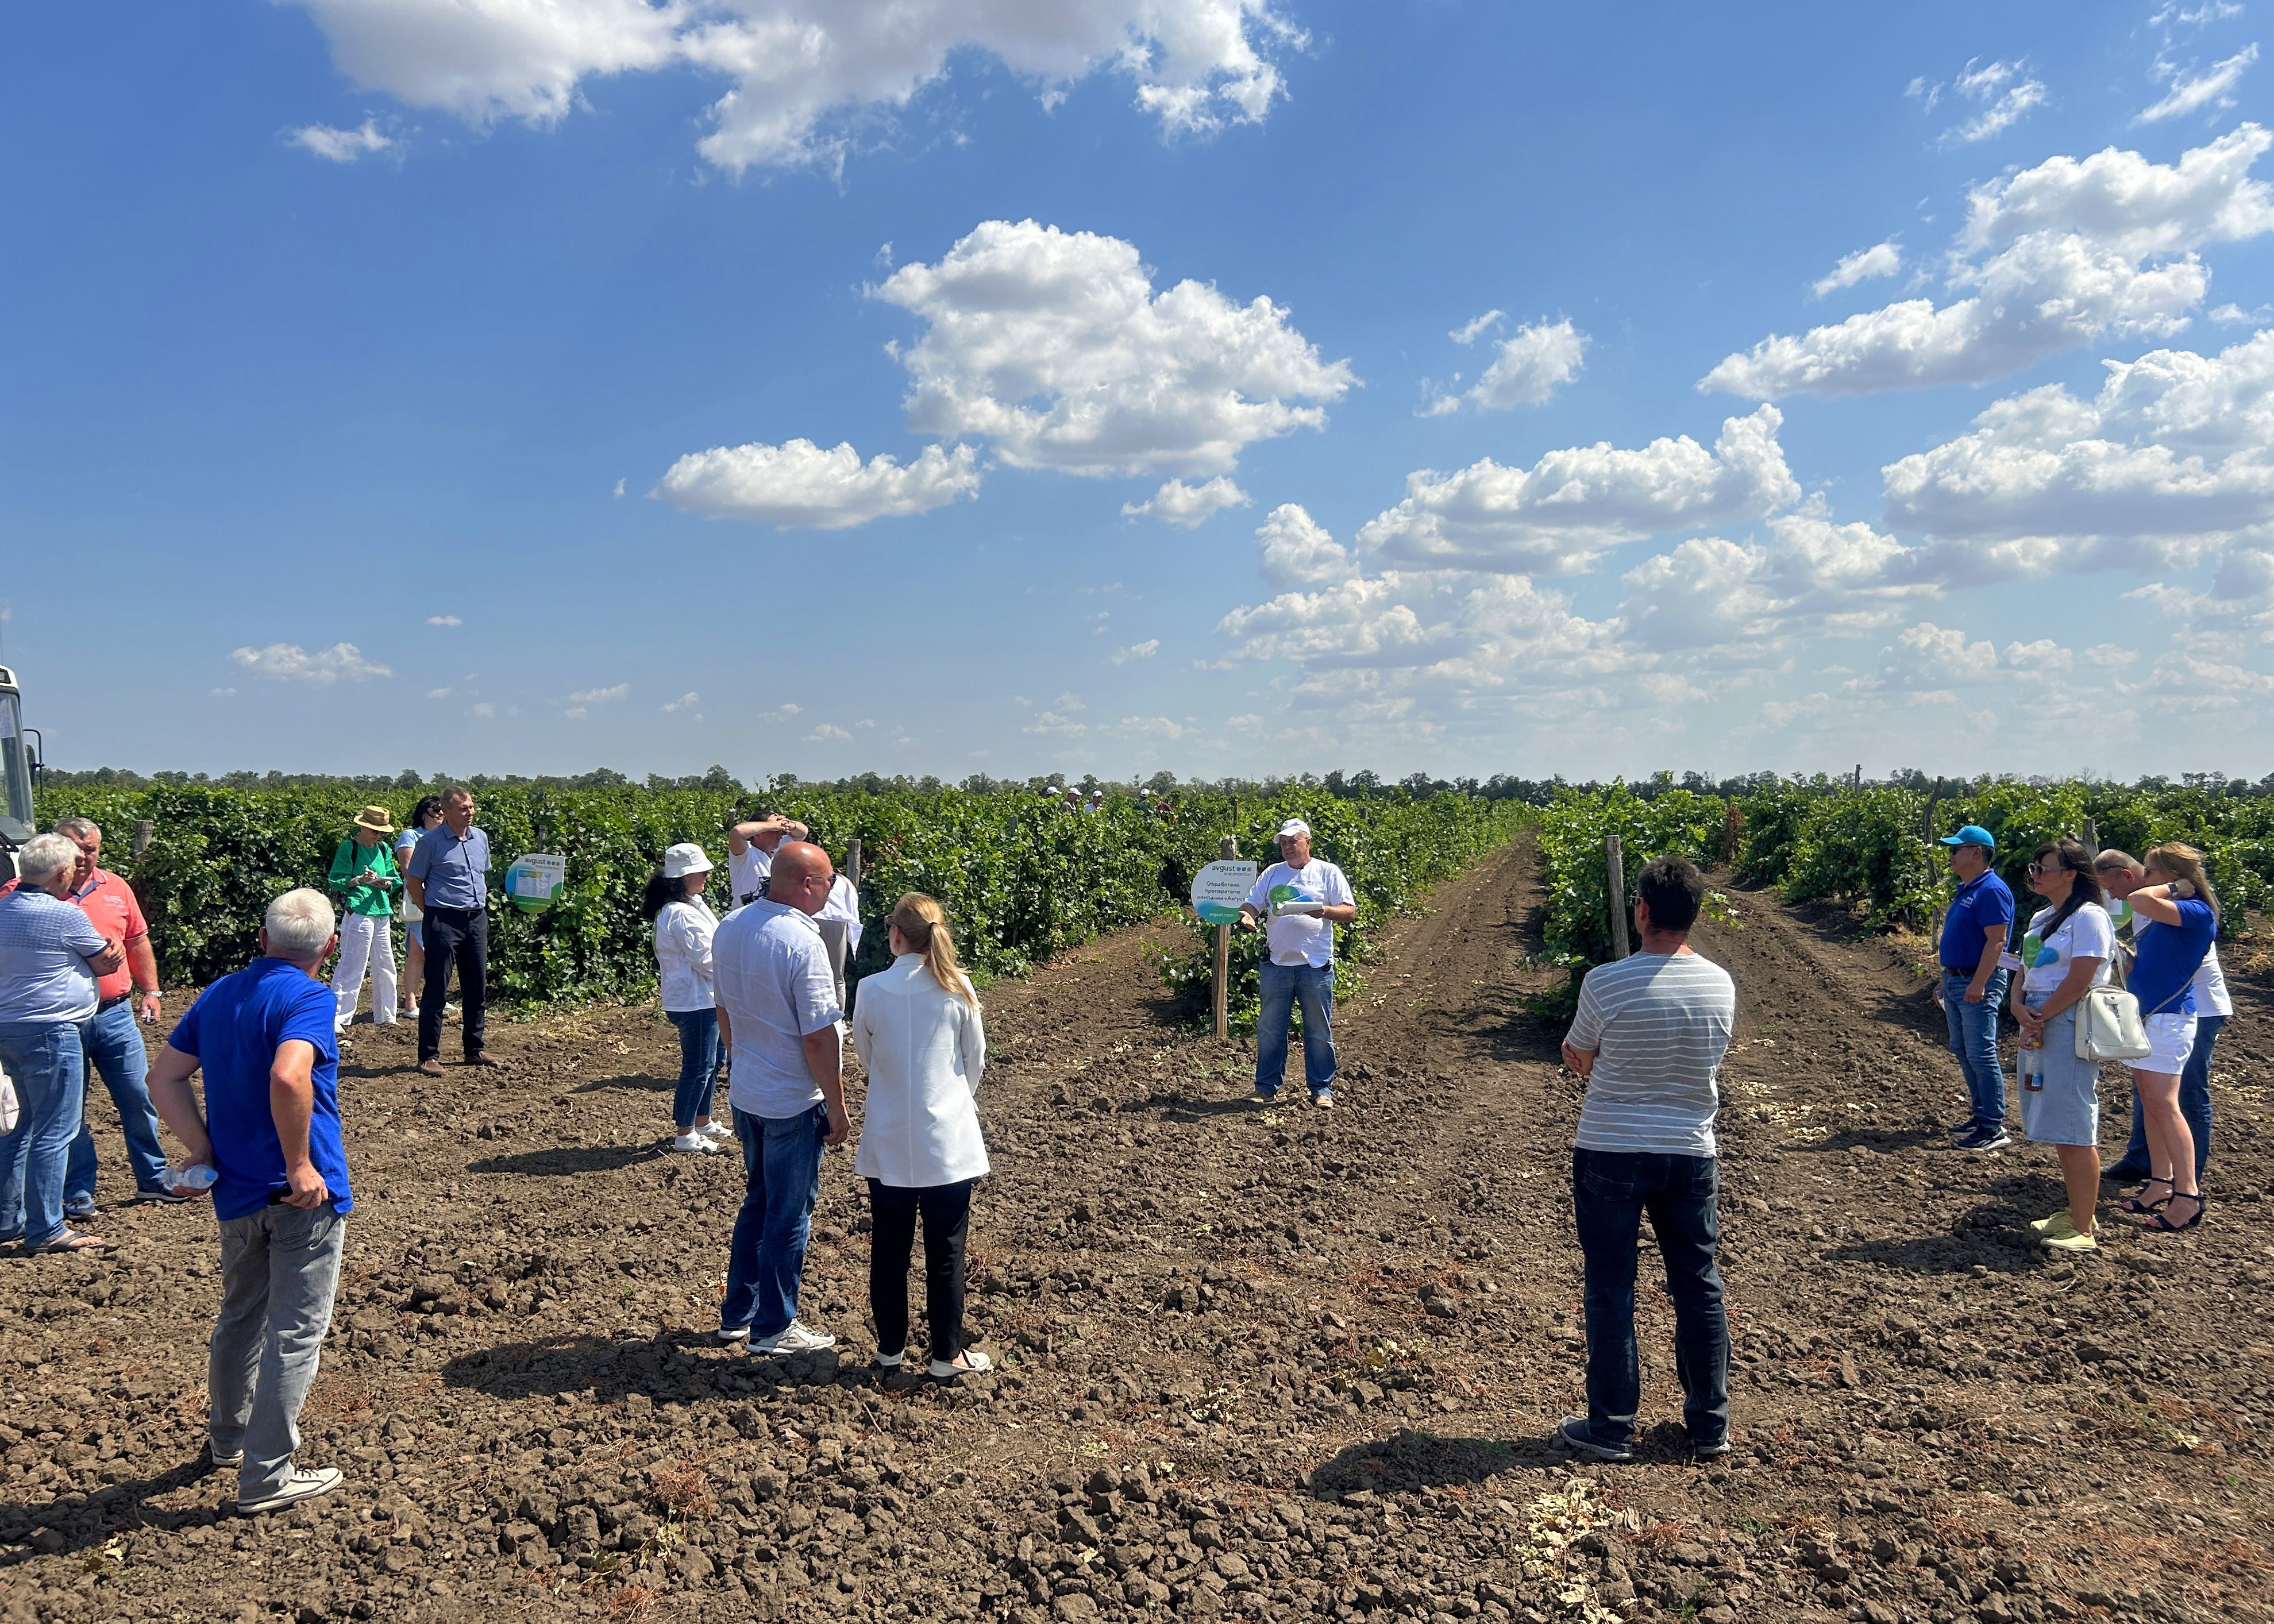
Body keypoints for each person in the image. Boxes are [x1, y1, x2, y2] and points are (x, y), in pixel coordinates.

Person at [144, 888, 351, 1515]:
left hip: (235, 1192)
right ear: (331, 949)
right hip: (299, 1194)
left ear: (263, 941)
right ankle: (267, 1476)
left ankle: (227, 1438)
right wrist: (299, 1163)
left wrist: (203, 1149)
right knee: (296, 1331)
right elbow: (289, 1074)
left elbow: (163, 1078)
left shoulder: (218, 994)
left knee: (240, 1317)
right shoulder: (310, 997)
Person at [1556, 855, 1737, 1464]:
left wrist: (1595, 1059)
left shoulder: (1605, 983)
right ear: (1695, 914)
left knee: (1611, 1285)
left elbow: (1578, 1055)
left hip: (1610, 1147)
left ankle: (1611, 1426)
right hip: (1689, 1151)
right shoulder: (1720, 983)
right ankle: (1709, 1424)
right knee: (1698, 1284)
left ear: (1641, 911)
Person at [711, 842, 850, 1353]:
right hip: (793, 1098)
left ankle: (738, 1314)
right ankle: (774, 1327)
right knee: (789, 1214)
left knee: (758, 1202)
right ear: (808, 884)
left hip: (748, 1092)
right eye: (830, 881)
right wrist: (836, 1105)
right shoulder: (802, 943)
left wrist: (739, 1058)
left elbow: (722, 1006)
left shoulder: (732, 925)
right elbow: (819, 1035)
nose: (833, 890)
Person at [0, 816, 177, 1215]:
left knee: (137, 1094)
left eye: (91, 849)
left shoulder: (116, 887)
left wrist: (151, 990)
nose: (83, 857)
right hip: (59, 1020)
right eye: (74, 849)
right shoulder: (19, 894)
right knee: (68, 1111)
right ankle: (77, 1190)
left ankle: (152, 1176)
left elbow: (137, 939)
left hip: (115, 1014)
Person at [849, 894, 992, 1379]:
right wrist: (951, 1099)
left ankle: (889, 1351)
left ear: (895, 935)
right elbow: (975, 1062)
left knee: (889, 1250)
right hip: (947, 1142)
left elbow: (866, 1056)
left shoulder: (869, 988)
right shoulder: (959, 988)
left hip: (889, 1137)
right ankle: (946, 1355)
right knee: (946, 1253)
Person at [0, 833, 125, 1252]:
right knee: (56, 1130)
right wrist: (108, 958)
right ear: (60, 873)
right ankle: (47, 1228)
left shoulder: (3, 909)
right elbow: (104, 958)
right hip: (53, 1032)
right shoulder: (65, 915)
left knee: (20, 1126)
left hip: (9, 1028)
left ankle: (7, 1218)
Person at [2096, 848, 2229, 1186]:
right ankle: (2155, 1172)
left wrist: (2173, 888)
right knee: (2152, 1096)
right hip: (2159, 1009)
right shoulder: (2151, 904)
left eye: (2152, 872)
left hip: (2191, 1007)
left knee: (2184, 1095)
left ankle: (2188, 1180)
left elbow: (2148, 908)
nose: (2112, 897)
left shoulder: (2176, 905)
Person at [2008, 841, 2113, 1253]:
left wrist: (2042, 1014)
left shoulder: (2090, 917)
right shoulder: (2041, 917)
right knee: (2056, 1113)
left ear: (2071, 873)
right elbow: (2025, 967)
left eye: (2043, 867)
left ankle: (2084, 1227)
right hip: (2039, 1013)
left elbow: (2082, 976)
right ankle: (2075, 1211)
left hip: (2066, 1018)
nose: (2035, 873)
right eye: (2034, 866)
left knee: (2073, 1118)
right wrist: (2018, 1004)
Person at [1235, 817, 1357, 1108]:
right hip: (1277, 964)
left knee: (1318, 1029)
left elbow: (1349, 911)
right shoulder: (1273, 873)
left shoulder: (1328, 872)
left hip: (1315, 965)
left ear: (1308, 843)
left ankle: (1322, 1089)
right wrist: (1247, 915)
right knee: (1270, 1028)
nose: (1288, 847)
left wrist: (1323, 910)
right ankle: (1266, 1087)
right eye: (1284, 842)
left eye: (1294, 841)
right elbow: (1252, 902)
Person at [403, 786, 499, 1077]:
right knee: (437, 987)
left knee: (476, 984)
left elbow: (481, 874)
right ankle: (428, 1056)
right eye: (463, 808)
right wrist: (432, 911)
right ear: (447, 811)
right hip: (442, 919)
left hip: (476, 918)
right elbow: (413, 882)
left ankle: (475, 1048)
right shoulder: (431, 843)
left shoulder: (480, 838)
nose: (469, 812)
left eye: (471, 807)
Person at [643, 843, 728, 1154]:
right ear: (683, 876)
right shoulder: (680, 913)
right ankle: (685, 1134)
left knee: (714, 1061)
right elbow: (706, 959)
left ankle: (703, 1121)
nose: (707, 874)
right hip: (696, 1002)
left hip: (707, 997)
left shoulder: (692, 904)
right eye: (700, 871)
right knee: (698, 1066)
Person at [1936, 824, 2015, 1151]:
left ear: (1977, 853)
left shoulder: (1991, 890)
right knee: (1963, 1049)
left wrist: (1980, 982)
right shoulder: (1968, 888)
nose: (1951, 855)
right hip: (1957, 978)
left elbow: (1996, 941)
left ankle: (1993, 1126)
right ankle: (1980, 1114)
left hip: (1975, 980)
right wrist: (1945, 982)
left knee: (1982, 1053)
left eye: (1957, 849)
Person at [326, 806, 400, 1033]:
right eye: (375, 830)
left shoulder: (384, 848)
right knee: (353, 963)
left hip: (381, 911)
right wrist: (359, 880)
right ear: (363, 826)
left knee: (386, 964)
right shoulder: (349, 848)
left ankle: (387, 1016)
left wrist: (385, 883)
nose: (379, 835)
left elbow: (395, 879)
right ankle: (338, 1018)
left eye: (382, 831)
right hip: (358, 911)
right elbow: (336, 880)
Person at [394, 796, 444, 1021]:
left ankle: (436, 998)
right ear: (424, 813)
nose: (441, 813)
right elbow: (408, 870)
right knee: (418, 951)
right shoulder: (411, 835)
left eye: (444, 809)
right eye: (436, 809)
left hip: (443, 900)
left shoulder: (446, 836)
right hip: (420, 899)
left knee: (440, 952)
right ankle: (410, 1002)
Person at [727, 810, 807, 908]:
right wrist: (772, 825)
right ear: (758, 834)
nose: (780, 836)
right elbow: (738, 832)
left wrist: (789, 824)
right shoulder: (746, 853)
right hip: (746, 917)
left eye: (780, 831)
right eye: (774, 831)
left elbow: (803, 832)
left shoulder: (779, 848)